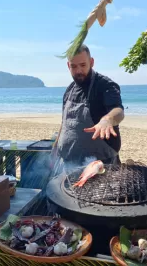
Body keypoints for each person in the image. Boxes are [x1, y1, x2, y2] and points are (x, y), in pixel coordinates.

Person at [51, 44, 124, 173]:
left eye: (83, 65)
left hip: (99, 166)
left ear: (91, 62)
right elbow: (65, 123)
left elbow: (118, 111)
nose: (78, 71)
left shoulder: (105, 85)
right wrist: (56, 147)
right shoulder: (69, 90)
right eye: (74, 66)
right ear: (68, 66)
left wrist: (107, 120)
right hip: (69, 164)